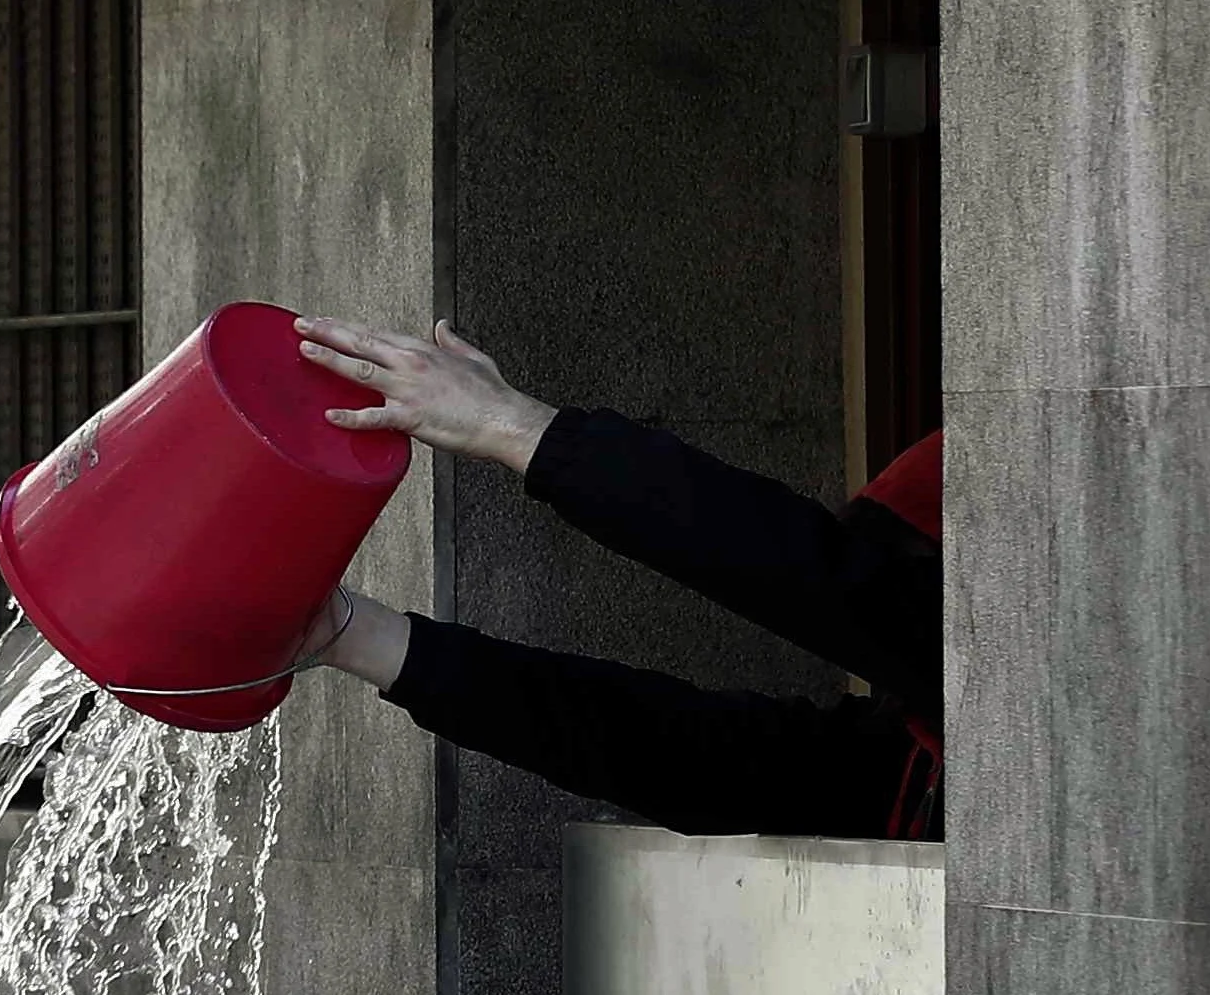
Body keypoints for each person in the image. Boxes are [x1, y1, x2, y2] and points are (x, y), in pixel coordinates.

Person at [280, 316, 945, 844]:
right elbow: (682, 754)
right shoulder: (914, 770)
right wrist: (356, 636)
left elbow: (815, 581)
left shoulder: (1002, 700)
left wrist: (517, 428)